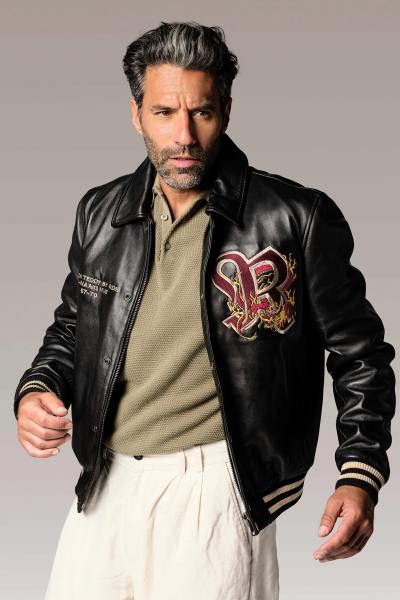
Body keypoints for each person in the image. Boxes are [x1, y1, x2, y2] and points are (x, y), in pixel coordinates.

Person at [14, 21, 396, 600]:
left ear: (227, 111)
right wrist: (39, 388)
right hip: (105, 484)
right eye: (164, 113)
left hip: (216, 488)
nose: (184, 135)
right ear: (136, 114)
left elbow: (360, 354)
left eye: (203, 112)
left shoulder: (295, 217)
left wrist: (360, 474)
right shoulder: (100, 211)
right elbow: (75, 323)